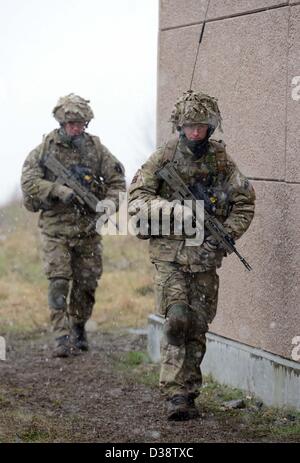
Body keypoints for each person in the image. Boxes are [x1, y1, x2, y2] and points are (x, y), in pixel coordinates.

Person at [128, 90, 256, 421]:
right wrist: (175, 210)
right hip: (169, 257)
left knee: (197, 326)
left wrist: (227, 232)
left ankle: (189, 390)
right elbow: (137, 198)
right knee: (176, 321)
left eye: (201, 127)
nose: (195, 133)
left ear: (211, 126)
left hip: (204, 258)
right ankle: (174, 394)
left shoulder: (221, 161)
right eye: (189, 127)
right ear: (179, 127)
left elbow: (244, 201)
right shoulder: (164, 158)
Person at [21, 94, 126, 357]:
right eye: (71, 124)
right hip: (55, 231)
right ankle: (60, 335)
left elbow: (117, 181)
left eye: (80, 123)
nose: (76, 128)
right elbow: (29, 182)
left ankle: (78, 326)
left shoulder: (95, 149)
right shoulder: (45, 150)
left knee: (86, 283)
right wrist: (56, 189)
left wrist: (109, 204)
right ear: (61, 123)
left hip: (88, 231)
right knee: (58, 282)